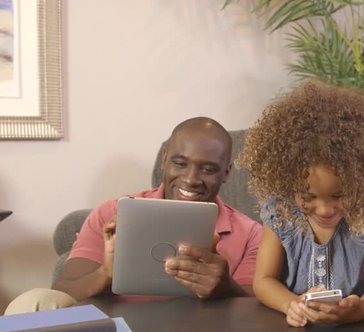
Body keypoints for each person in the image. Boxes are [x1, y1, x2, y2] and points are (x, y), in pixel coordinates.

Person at [5, 117, 262, 314]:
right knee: (34, 301)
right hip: (115, 331)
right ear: (164, 160)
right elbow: (63, 291)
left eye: (208, 169)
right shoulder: (112, 213)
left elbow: (258, 309)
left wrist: (226, 288)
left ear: (227, 173)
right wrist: (106, 273)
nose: (191, 179)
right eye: (180, 164)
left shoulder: (251, 233)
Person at [238, 80, 364, 327]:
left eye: (339, 195)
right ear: (287, 182)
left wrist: (360, 310)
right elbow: (263, 281)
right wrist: (290, 304)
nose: (325, 209)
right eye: (308, 196)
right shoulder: (280, 213)